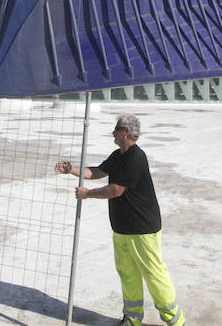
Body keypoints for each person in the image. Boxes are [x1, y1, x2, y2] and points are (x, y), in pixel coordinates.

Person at [55, 114, 185, 326]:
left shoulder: (136, 157)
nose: (113, 132)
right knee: (128, 274)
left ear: (125, 132)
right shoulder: (118, 155)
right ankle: (133, 319)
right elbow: (97, 171)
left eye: (116, 129)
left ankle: (176, 321)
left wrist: (87, 194)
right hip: (123, 229)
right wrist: (72, 170)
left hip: (142, 229)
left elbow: (116, 190)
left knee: (154, 275)